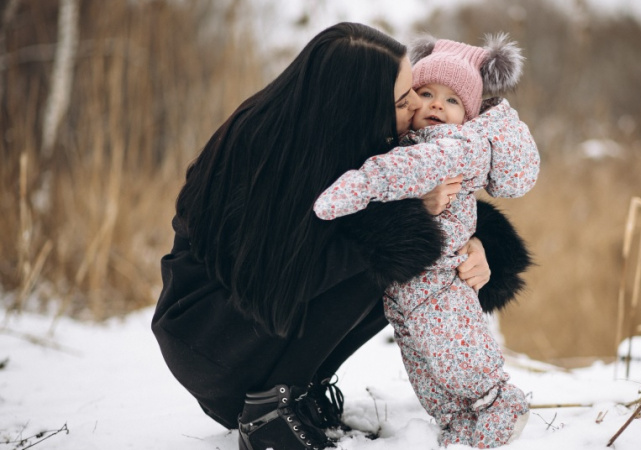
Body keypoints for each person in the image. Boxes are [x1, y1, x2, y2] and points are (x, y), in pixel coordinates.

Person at [150, 22, 533, 450]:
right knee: (387, 252)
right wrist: (415, 214)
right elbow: (279, 273)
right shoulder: (262, 153)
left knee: (400, 249)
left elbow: (450, 207)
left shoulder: (355, 136)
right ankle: (269, 411)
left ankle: (294, 390)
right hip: (212, 340)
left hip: (259, 334)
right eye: (406, 98)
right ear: (360, 103)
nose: (419, 108)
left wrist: (479, 245)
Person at [313, 34, 539, 448]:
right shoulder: (404, 141)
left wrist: (360, 186)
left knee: (460, 357)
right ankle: (456, 422)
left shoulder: (454, 147)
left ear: (468, 116)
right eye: (426, 92)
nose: (436, 104)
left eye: (452, 101)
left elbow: (409, 169)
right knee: (425, 367)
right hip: (405, 292)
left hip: (440, 281)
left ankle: (499, 405)